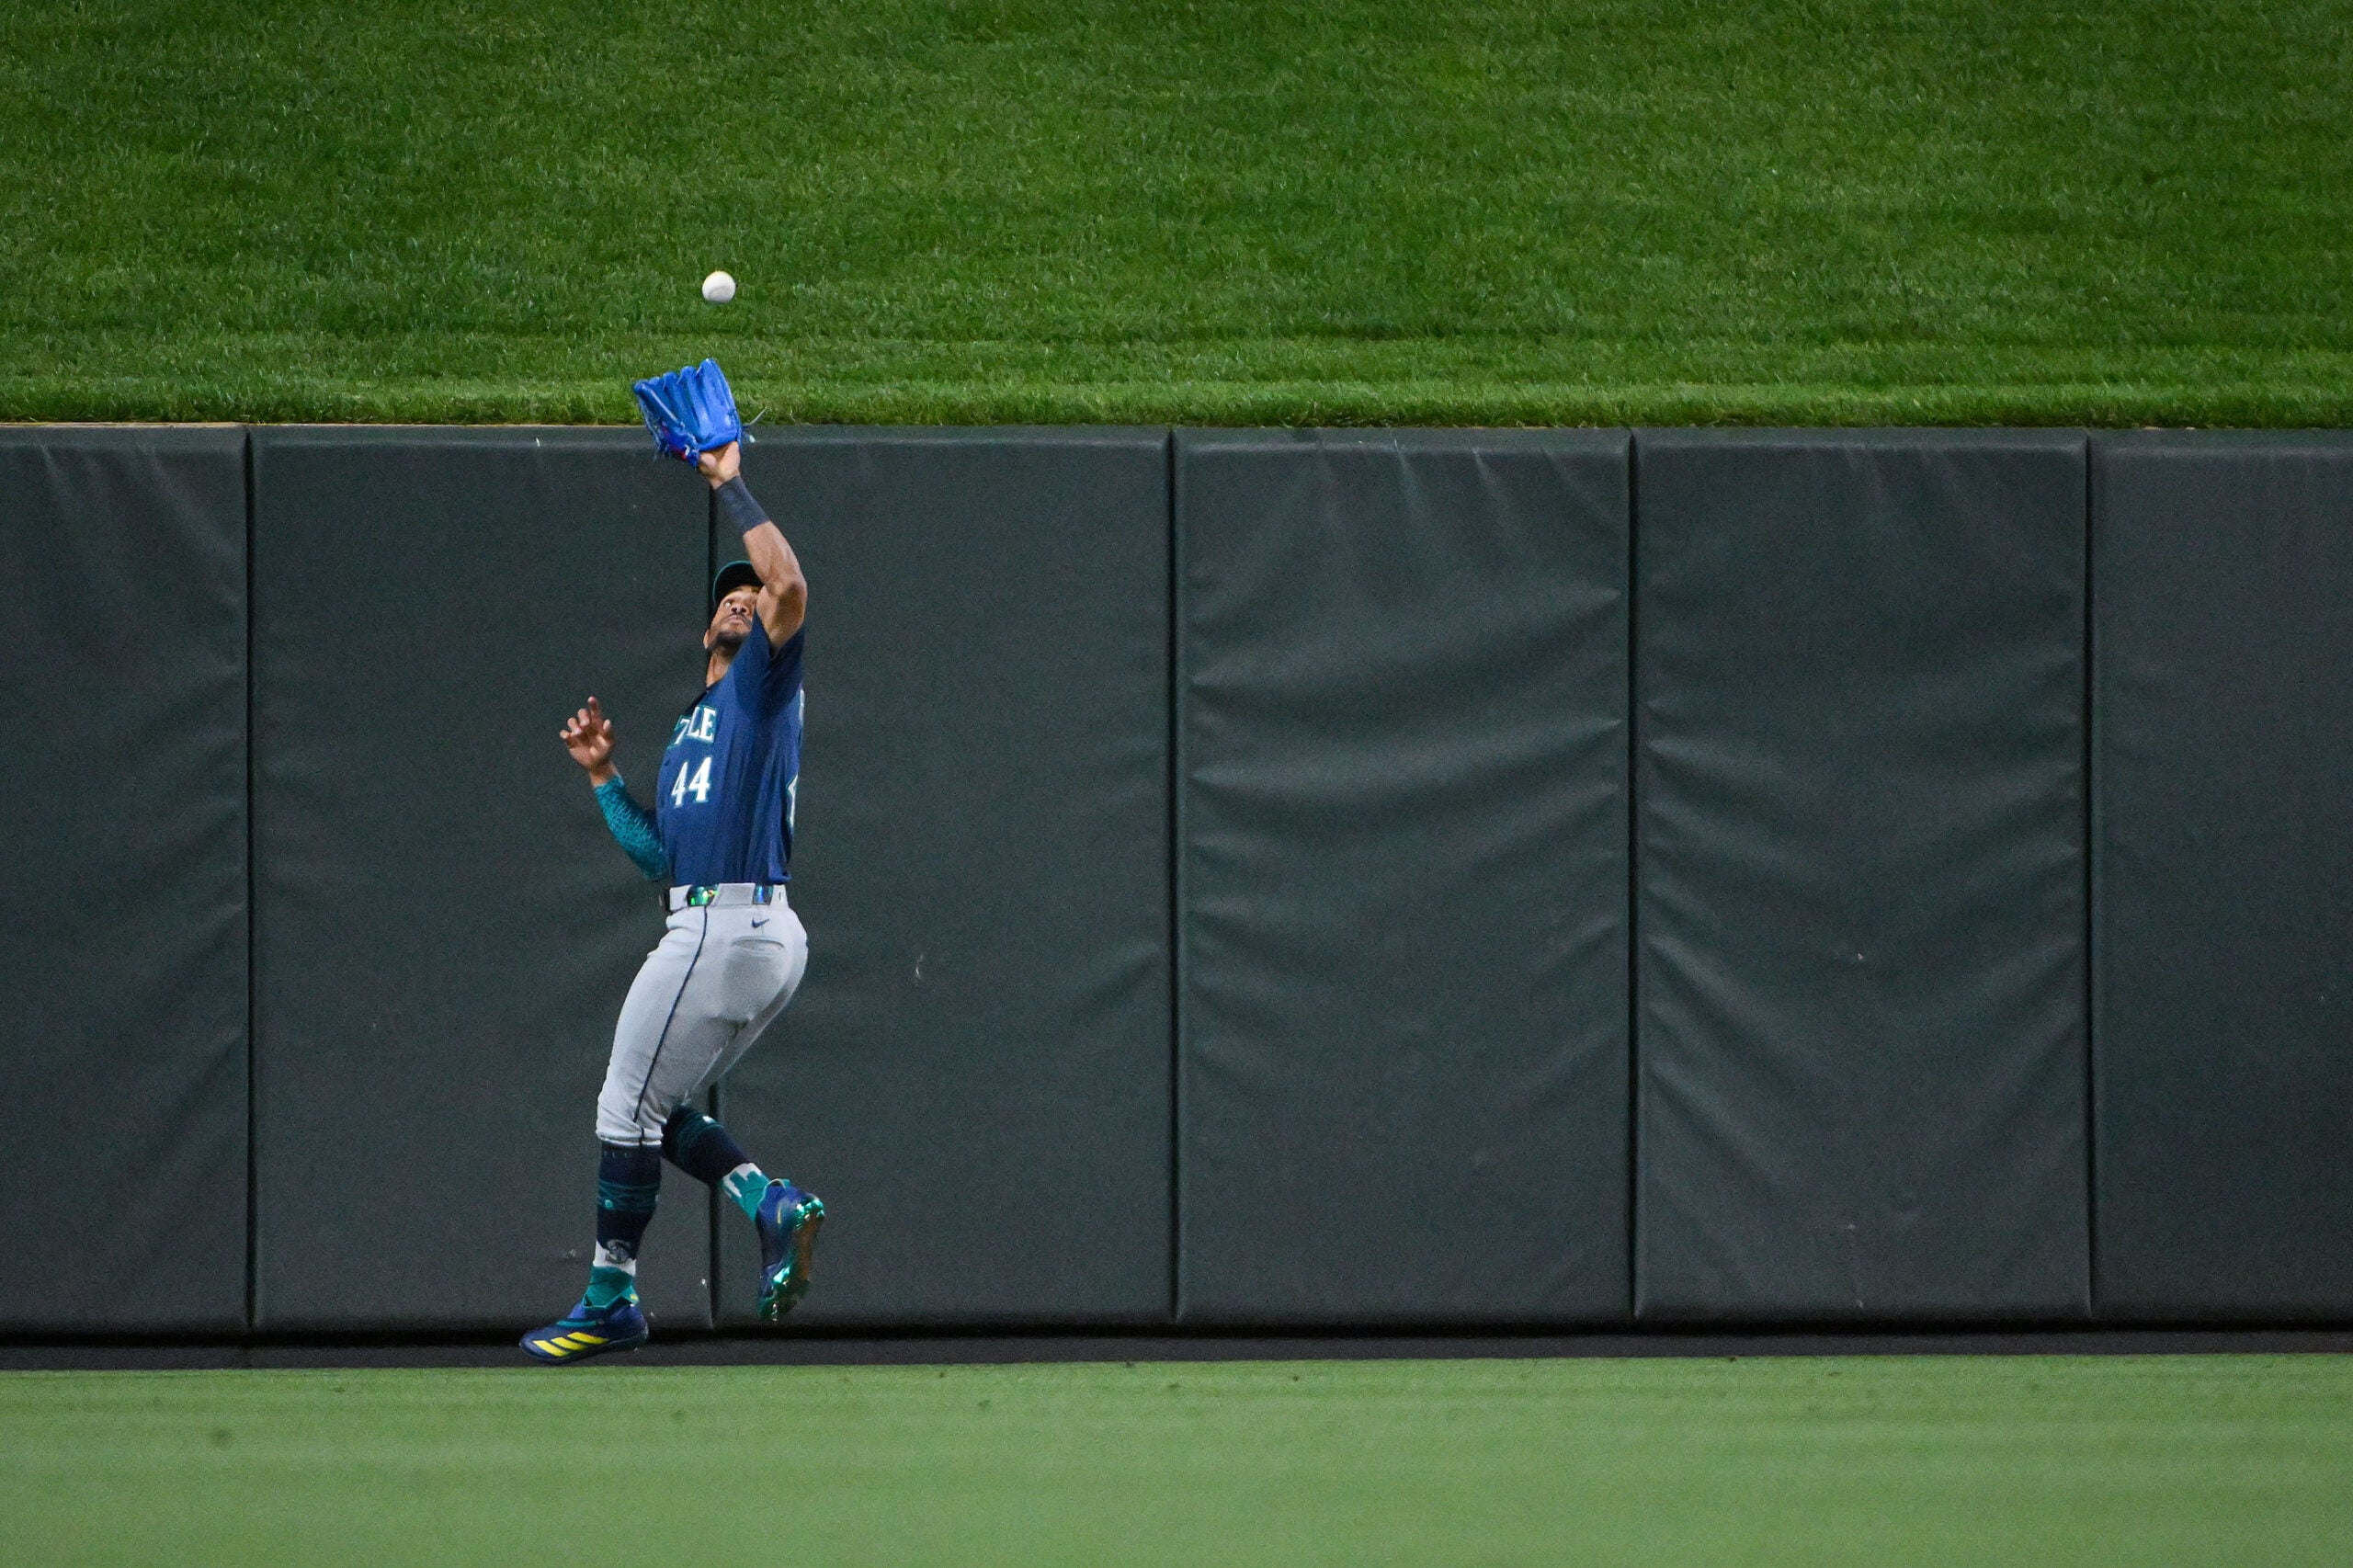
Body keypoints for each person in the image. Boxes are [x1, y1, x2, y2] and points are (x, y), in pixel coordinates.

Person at [520, 438, 824, 1363]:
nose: (742, 597)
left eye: (749, 595)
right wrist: (607, 777)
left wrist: (731, 484)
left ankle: (611, 1293)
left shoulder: (760, 693)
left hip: (726, 926)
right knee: (656, 1106)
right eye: (726, 596)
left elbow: (792, 588)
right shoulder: (694, 729)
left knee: (623, 1103)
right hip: (740, 926)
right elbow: (660, 855)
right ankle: (768, 1202)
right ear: (703, 633)